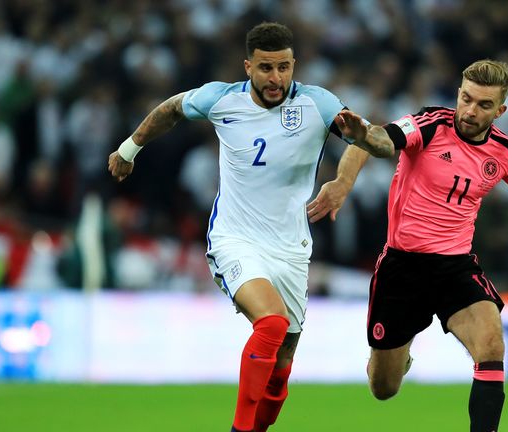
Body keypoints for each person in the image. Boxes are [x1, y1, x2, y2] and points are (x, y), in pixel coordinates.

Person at [107, 22, 391, 432]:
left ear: (294, 65)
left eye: (283, 67)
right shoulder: (221, 99)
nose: (276, 78)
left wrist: (346, 174)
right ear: (248, 67)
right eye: (265, 68)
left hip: (291, 248)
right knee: (271, 323)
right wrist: (129, 148)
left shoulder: (317, 104)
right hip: (235, 239)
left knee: (282, 364)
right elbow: (170, 109)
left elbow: (370, 141)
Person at [309, 59, 508, 431]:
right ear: (458, 94)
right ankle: (397, 356)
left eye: (483, 105)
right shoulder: (430, 125)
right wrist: (344, 181)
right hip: (402, 266)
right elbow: (378, 140)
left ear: (501, 110)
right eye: (466, 98)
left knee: (491, 345)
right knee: (384, 388)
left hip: (455, 267)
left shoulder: (506, 153)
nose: (470, 111)